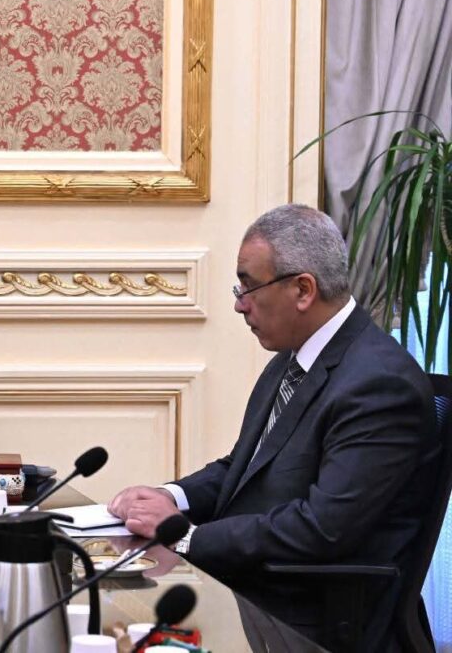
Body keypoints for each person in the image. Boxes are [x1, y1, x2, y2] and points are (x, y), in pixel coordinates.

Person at [108, 204, 437, 651]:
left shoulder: (380, 385)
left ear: (303, 289)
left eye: (249, 286)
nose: (239, 304)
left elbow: (322, 529)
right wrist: (171, 497)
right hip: (259, 595)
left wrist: (186, 535)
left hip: (315, 622)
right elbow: (242, 468)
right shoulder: (293, 358)